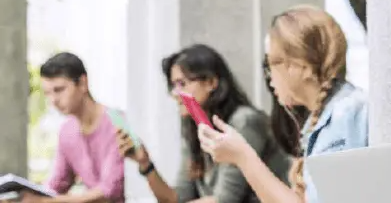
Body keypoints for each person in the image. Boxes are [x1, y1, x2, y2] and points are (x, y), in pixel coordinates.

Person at [197, 5, 369, 203]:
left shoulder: (344, 115)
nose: (269, 78)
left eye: (271, 64)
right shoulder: (327, 117)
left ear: (298, 66)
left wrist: (243, 157)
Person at [116, 44, 292, 203]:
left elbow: (225, 200)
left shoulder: (244, 121)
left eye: (182, 84)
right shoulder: (193, 128)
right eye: (172, 86)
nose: (175, 94)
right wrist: (145, 164)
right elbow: (177, 198)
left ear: (211, 82)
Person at [23, 52, 125, 203]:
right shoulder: (67, 130)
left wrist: (46, 202)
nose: (53, 100)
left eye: (59, 90)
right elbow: (57, 183)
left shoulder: (118, 121)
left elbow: (109, 191)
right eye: (48, 93)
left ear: (83, 83)